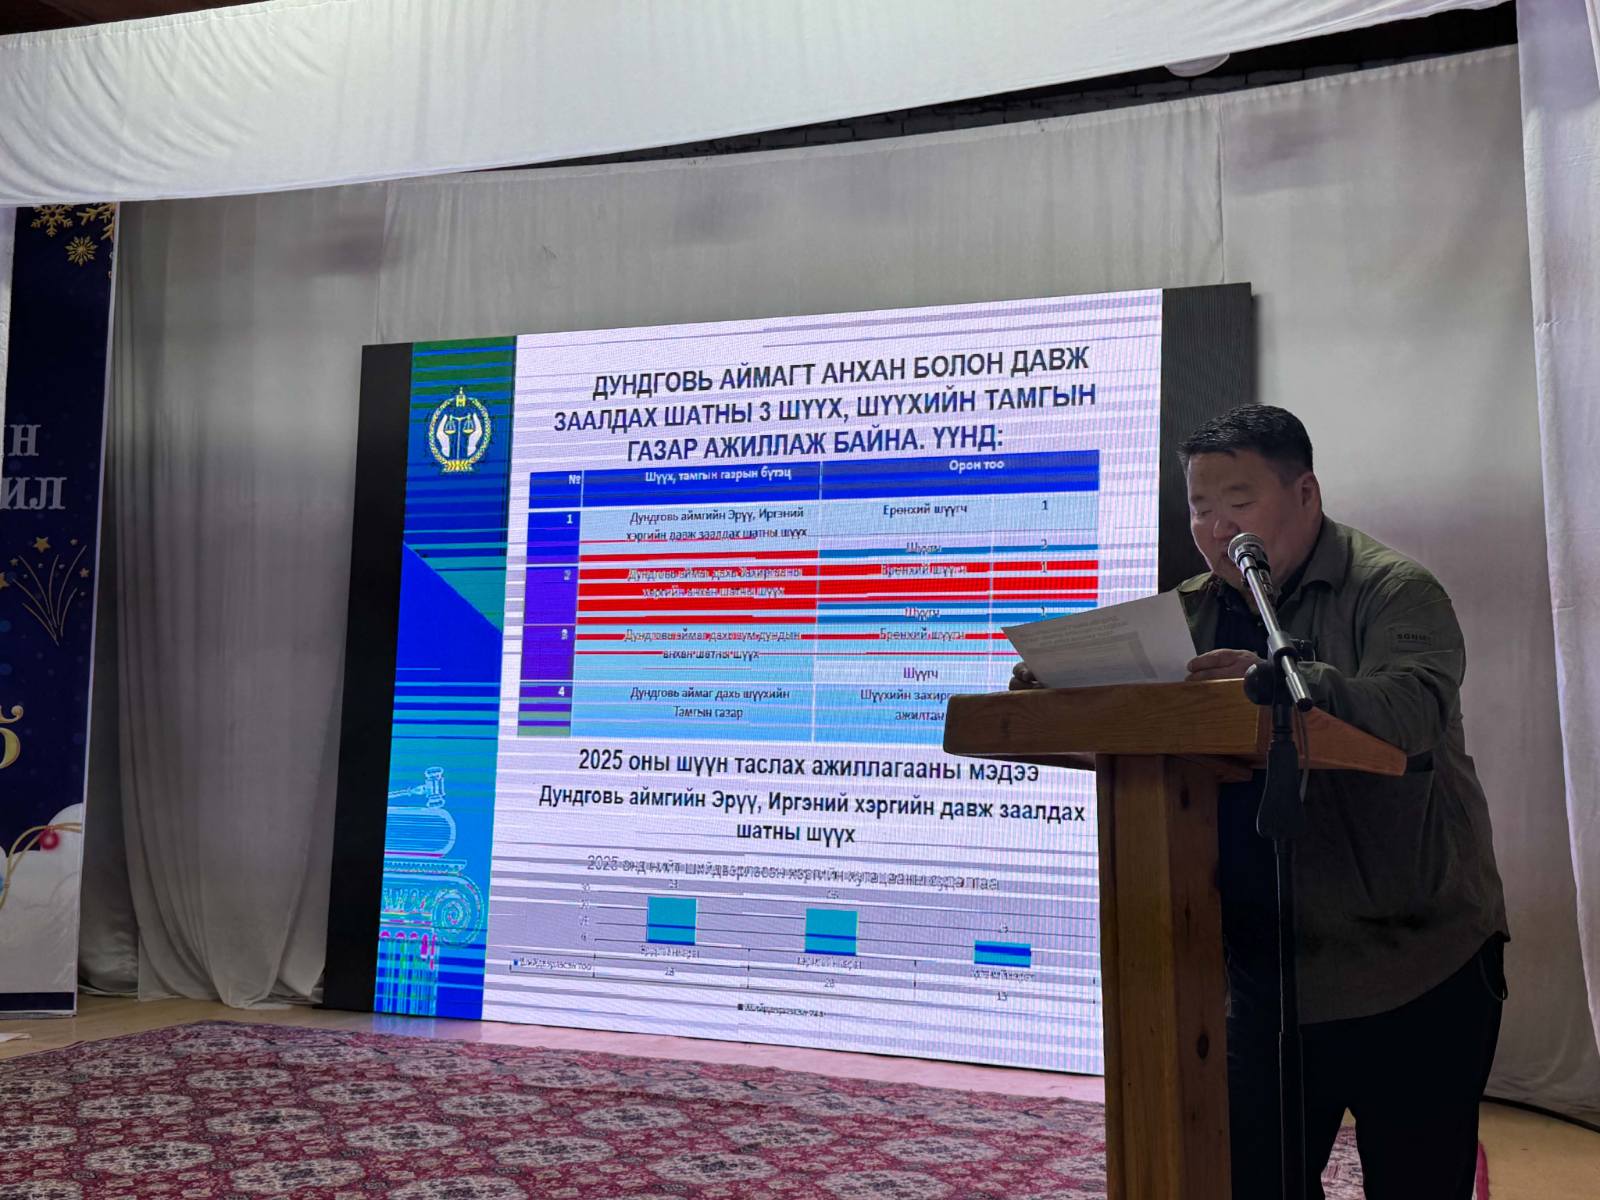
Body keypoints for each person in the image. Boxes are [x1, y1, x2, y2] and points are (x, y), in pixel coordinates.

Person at [1013, 405, 1507, 1199]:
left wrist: (1288, 684)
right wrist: (1066, 692)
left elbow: (1413, 712)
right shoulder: (1188, 611)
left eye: (1238, 502)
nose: (1216, 529)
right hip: (1266, 977)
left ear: (1305, 494)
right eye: (1200, 507)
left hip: (1416, 965)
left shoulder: (1395, 591)